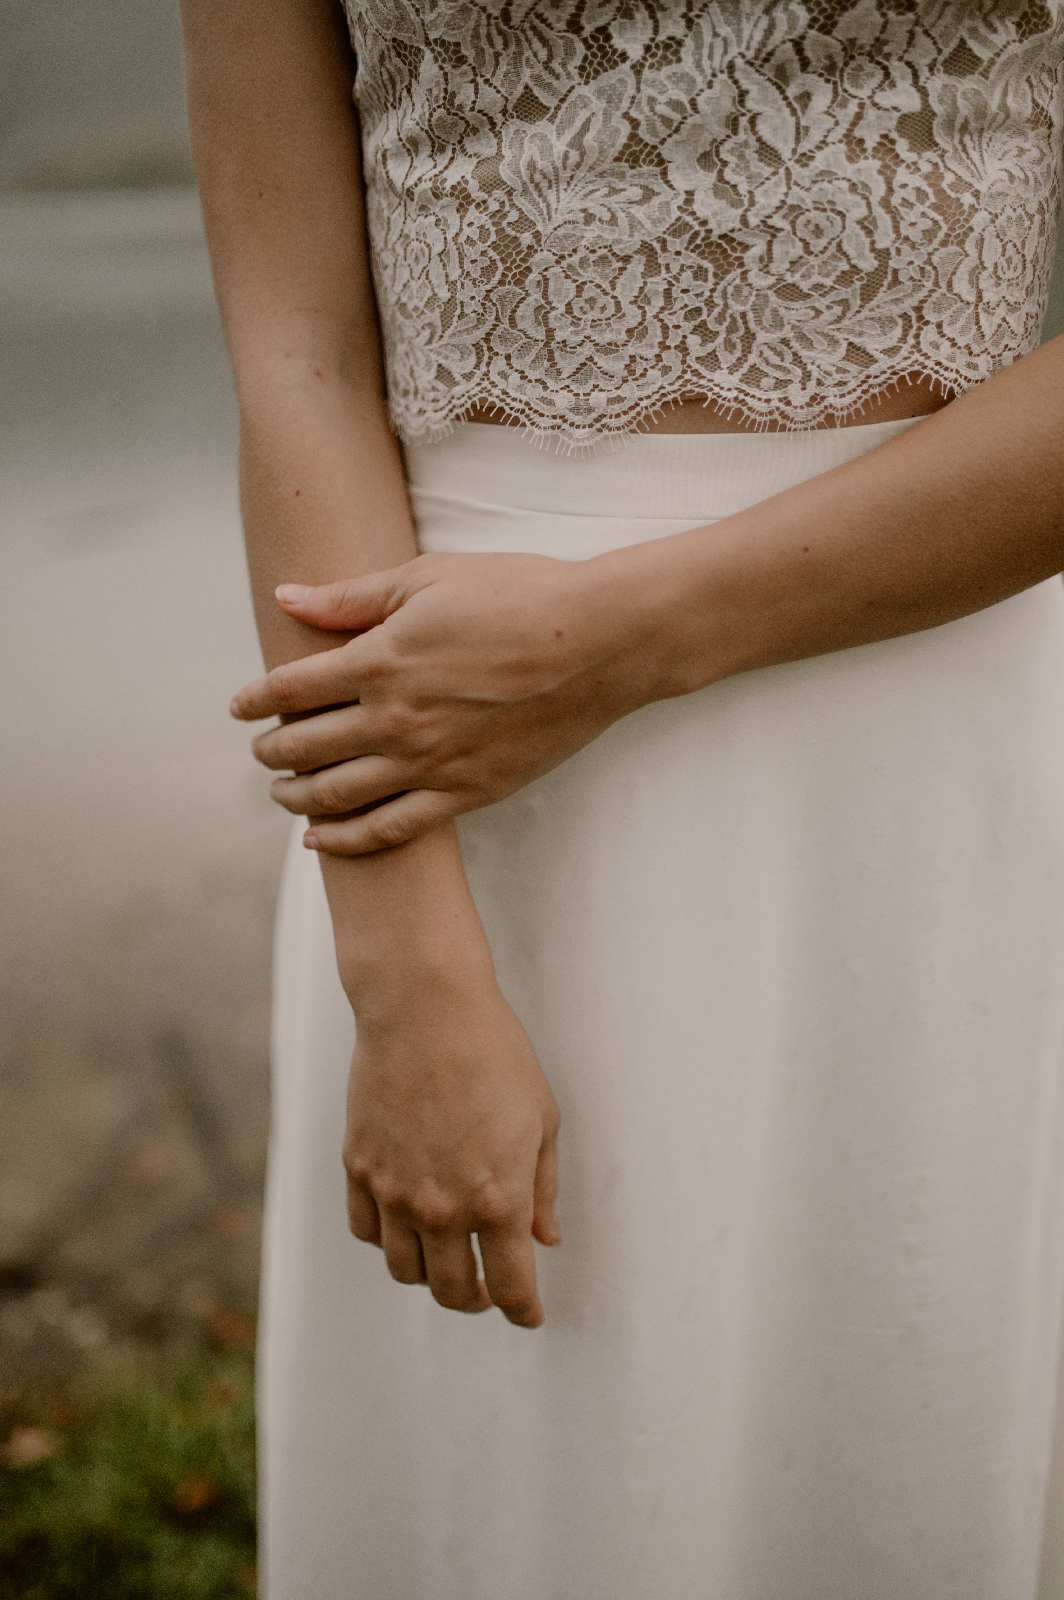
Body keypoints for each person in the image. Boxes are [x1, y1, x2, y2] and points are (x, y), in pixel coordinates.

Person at [181, 2, 1064, 1595]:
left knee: (897, 1385)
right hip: (441, 757)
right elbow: (296, 352)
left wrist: (614, 642)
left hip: (926, 696)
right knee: (530, 1465)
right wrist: (408, 970)